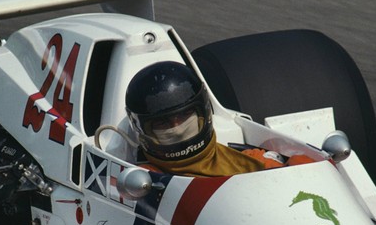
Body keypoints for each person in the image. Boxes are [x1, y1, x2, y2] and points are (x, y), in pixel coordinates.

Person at [125, 61, 309, 177]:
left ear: (203, 112)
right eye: (163, 123)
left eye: (184, 116)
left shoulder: (248, 161)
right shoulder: (140, 180)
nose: (177, 127)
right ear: (142, 129)